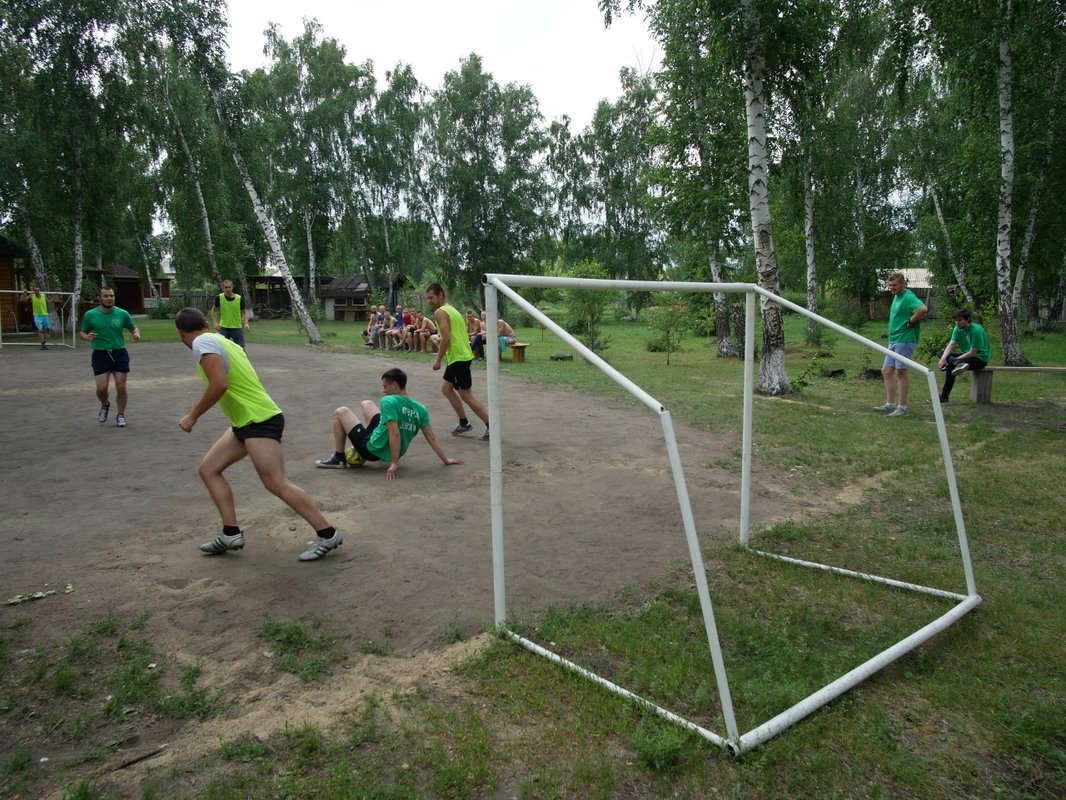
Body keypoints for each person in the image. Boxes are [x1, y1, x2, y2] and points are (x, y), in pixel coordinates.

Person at [174, 307, 343, 562]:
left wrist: (192, 416)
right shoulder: (222, 339)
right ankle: (230, 533)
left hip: (260, 419)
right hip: (245, 422)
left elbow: (219, 384)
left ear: (181, 334)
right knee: (208, 469)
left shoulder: (201, 342)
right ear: (206, 322)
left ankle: (327, 533)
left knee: (276, 482)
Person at [315, 367, 463, 478]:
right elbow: (431, 437)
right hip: (393, 449)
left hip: (371, 449)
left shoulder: (388, 401)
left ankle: (339, 458)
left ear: (394, 385)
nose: (383, 390)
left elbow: (395, 433)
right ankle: (375, 438)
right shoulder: (421, 409)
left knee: (340, 411)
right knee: (366, 403)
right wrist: (446, 459)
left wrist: (394, 463)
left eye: (385, 386)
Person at [425, 283, 491, 441]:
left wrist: (438, 360)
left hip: (458, 357)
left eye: (431, 297)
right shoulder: (452, 310)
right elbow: (451, 335)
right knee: (446, 389)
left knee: (467, 396)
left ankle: (491, 425)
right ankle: (464, 422)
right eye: (427, 298)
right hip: (460, 356)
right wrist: (438, 339)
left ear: (441, 295)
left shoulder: (440, 312)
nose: (429, 301)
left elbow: (447, 338)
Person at [79, 287, 140, 427]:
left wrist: (136, 333)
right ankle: (105, 404)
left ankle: (120, 414)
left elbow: (133, 327)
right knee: (102, 388)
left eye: (111, 295)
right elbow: (82, 332)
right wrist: (86, 336)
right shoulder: (90, 315)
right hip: (100, 354)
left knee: (121, 386)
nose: (109, 298)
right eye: (105, 296)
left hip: (119, 352)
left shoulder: (122, 313)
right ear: (99, 298)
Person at [873, 271, 927, 418]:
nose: (891, 287)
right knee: (886, 371)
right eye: (889, 285)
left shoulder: (908, 297)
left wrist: (911, 321)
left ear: (903, 284)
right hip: (894, 340)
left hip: (905, 339)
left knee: (901, 372)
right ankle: (890, 405)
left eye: (895, 285)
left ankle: (902, 408)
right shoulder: (897, 297)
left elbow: (923, 309)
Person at [936, 308, 990, 403]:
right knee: (940, 352)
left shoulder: (976, 331)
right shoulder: (957, 329)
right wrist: (943, 358)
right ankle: (956, 363)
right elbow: (951, 344)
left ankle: (944, 397)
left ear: (967, 319)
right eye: (956, 320)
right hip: (966, 355)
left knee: (950, 367)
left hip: (979, 358)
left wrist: (954, 359)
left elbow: (973, 353)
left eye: (960, 320)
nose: (957, 322)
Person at [211, 280, 250, 348]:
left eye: (229, 287)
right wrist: (215, 323)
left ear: (232, 287)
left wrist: (246, 323)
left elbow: (245, 311)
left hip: (237, 327)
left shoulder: (239, 298)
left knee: (241, 348)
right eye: (225, 287)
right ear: (223, 288)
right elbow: (214, 310)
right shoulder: (219, 298)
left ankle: (245, 359)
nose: (227, 289)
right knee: (222, 348)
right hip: (223, 327)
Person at [21, 281, 55, 350]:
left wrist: (55, 295)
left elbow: (50, 301)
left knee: (45, 330)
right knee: (40, 330)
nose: (37, 291)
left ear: (39, 290)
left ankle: (44, 344)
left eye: (38, 290)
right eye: (35, 290)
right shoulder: (32, 296)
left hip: (45, 315)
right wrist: (23, 294)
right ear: (34, 291)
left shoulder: (43, 296)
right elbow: (23, 300)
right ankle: (42, 343)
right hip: (37, 315)